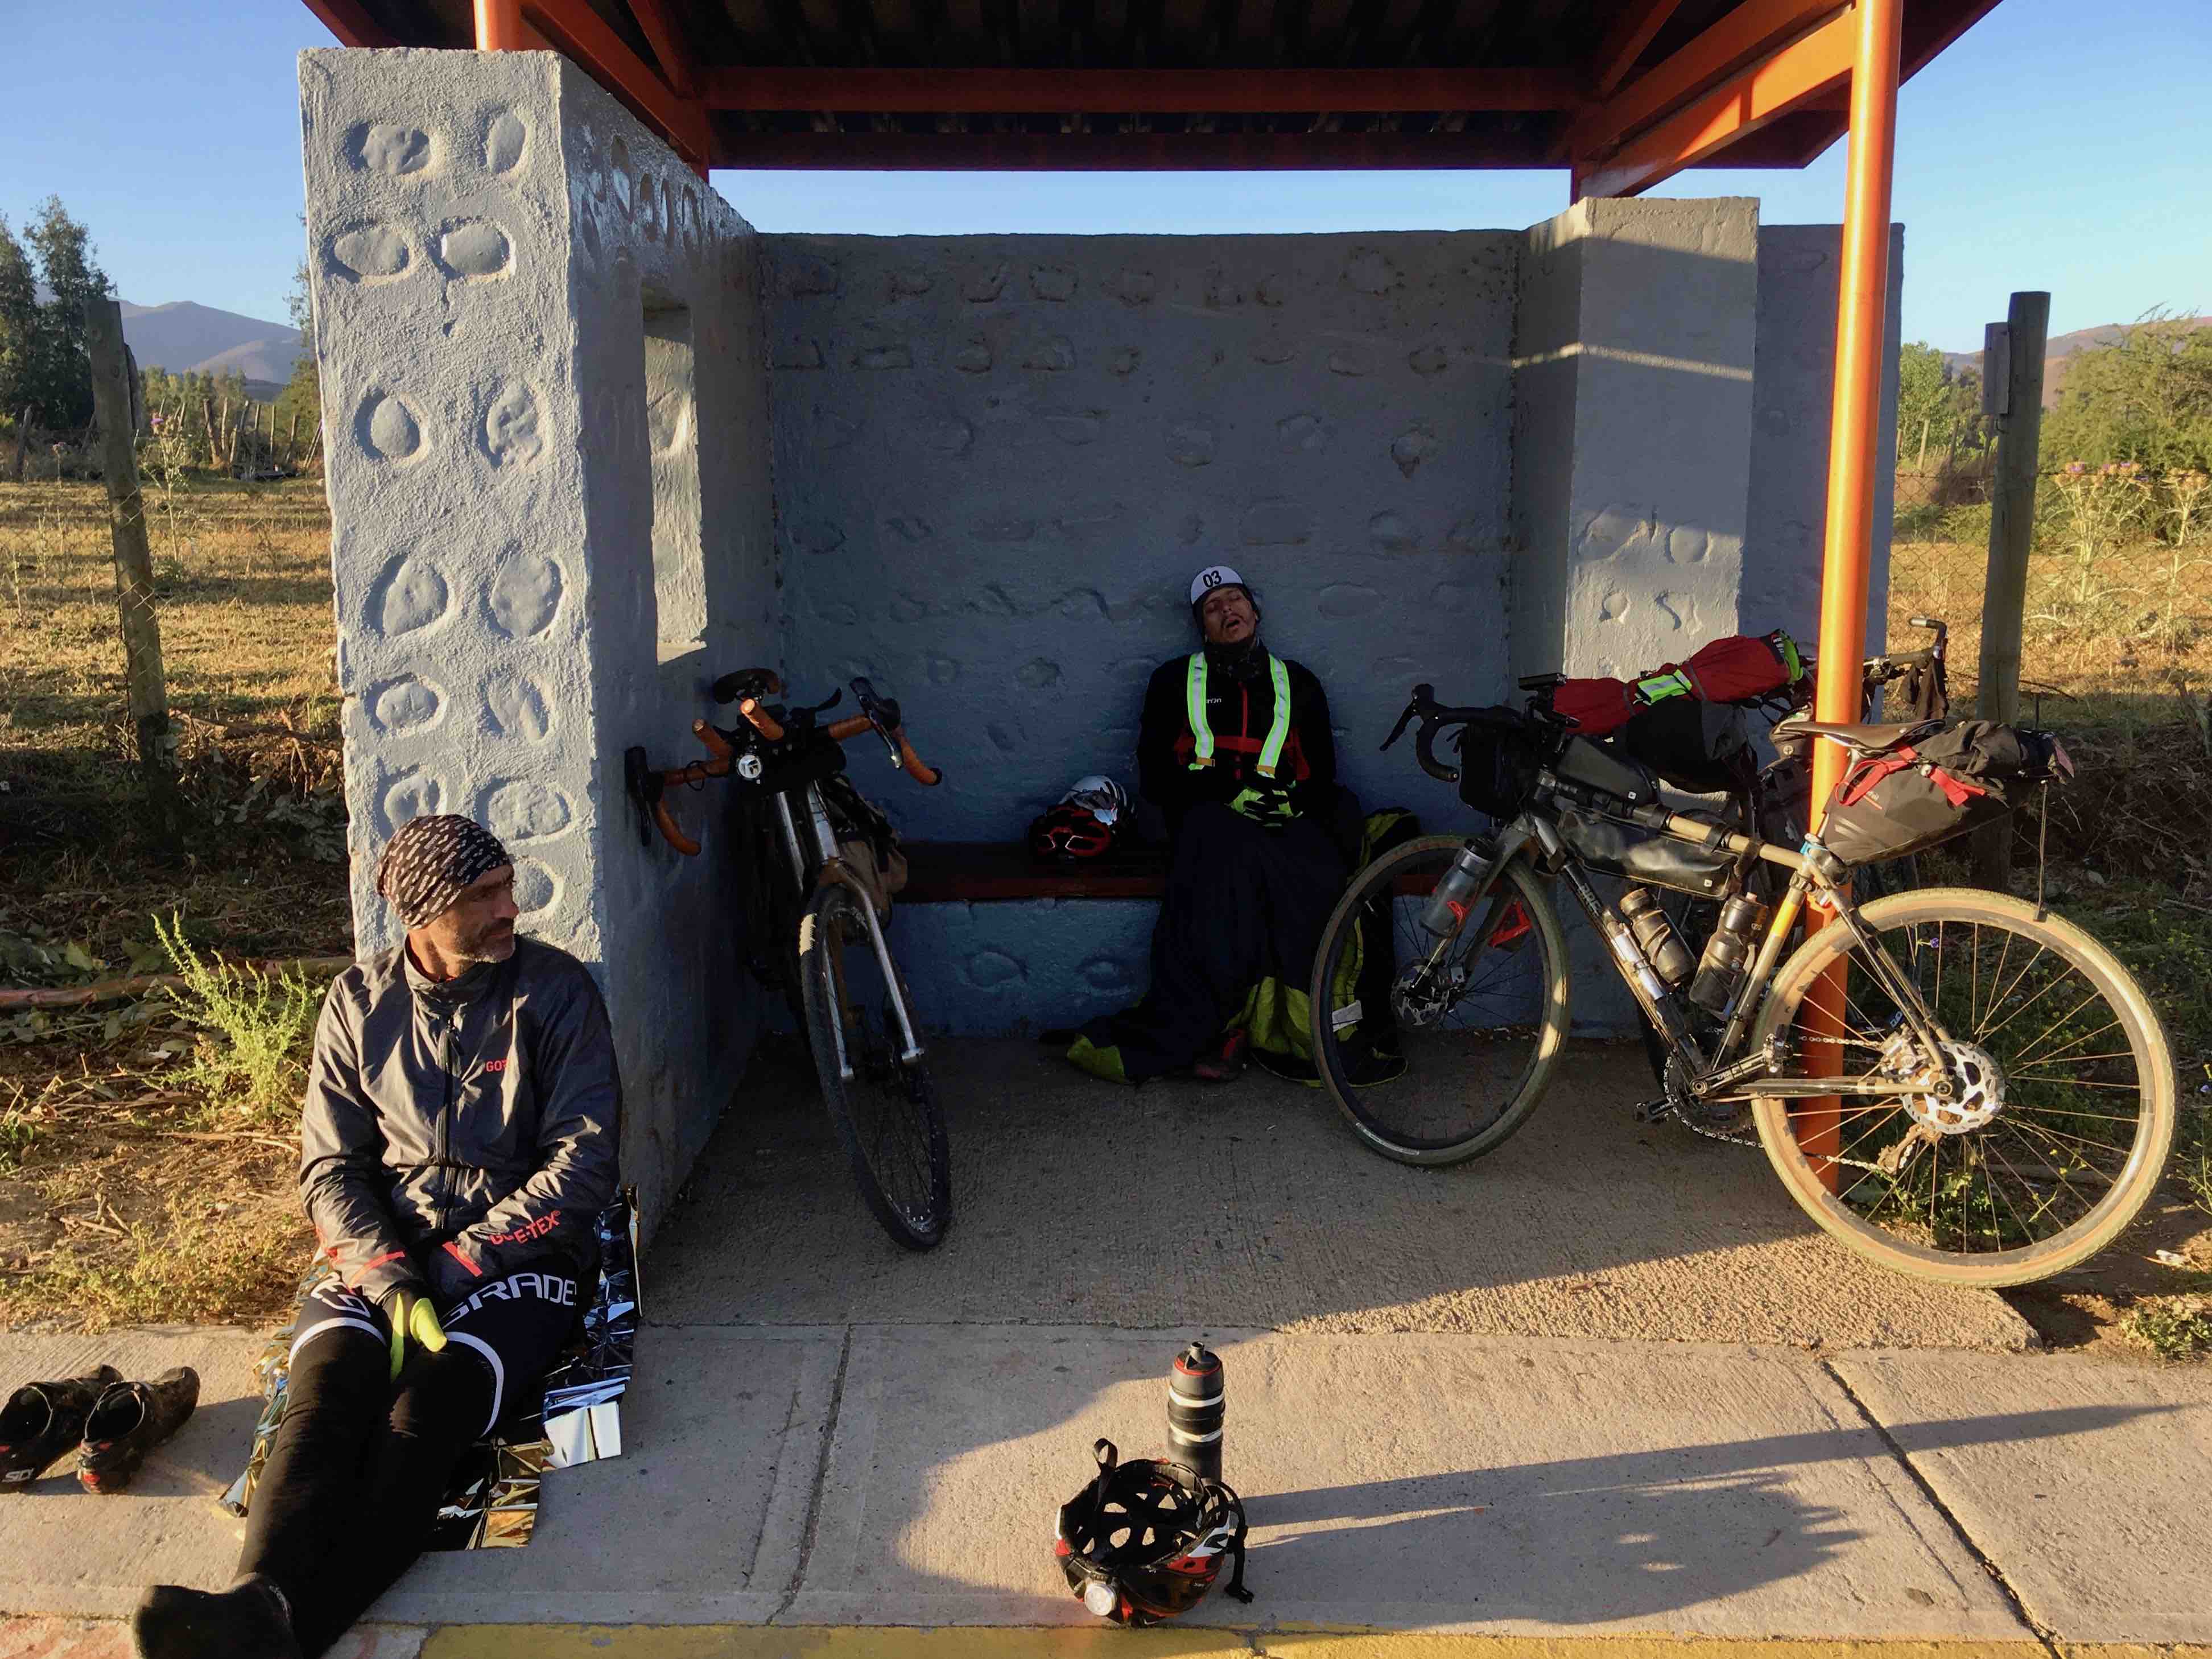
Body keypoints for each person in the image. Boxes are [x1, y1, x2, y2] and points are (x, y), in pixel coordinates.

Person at [132, 815, 622, 1659]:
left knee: (422, 1413)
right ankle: (259, 1602)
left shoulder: (557, 992)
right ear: (422, 916)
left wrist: (465, 1261)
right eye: (484, 897)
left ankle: (277, 1628)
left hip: (520, 1254)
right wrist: (393, 1275)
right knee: (326, 1396)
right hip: (382, 1253)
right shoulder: (357, 1002)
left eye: (508, 886)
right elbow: (330, 1168)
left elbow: (582, 1166)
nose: (512, 908)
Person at [1068, 566, 1357, 1085]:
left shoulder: (1301, 683)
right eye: (1214, 607)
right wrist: (1226, 793)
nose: (1229, 611)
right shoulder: (1172, 680)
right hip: (1207, 822)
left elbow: (1324, 773)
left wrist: (1289, 804)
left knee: (1317, 872)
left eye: (1236, 599)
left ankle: (1298, 1025)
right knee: (1222, 871)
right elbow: (1157, 776)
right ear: (1202, 627)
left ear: (1255, 610)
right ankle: (1218, 1029)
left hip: (1280, 819)